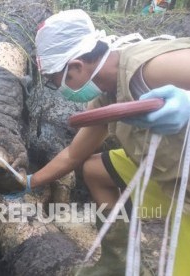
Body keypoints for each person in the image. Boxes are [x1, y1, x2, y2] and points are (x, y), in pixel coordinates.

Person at [26, 9, 190, 276]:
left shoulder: (146, 70)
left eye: (58, 82)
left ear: (76, 67)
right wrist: (29, 182)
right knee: (95, 169)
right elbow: (72, 155)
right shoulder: (107, 95)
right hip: (164, 166)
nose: (61, 90)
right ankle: (118, 259)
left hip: (184, 185)